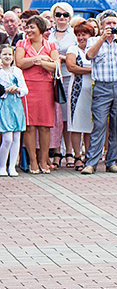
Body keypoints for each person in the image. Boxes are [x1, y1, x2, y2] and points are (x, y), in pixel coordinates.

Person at [82, 10, 117, 174]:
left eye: (114, 23)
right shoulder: (93, 40)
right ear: (102, 26)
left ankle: (111, 161)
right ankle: (91, 163)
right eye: (108, 24)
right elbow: (89, 55)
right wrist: (103, 38)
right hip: (101, 87)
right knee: (99, 125)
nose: (112, 26)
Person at [15, 15, 59, 174]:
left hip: (45, 87)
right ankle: (32, 160)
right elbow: (19, 63)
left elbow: (55, 66)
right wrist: (38, 58)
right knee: (30, 125)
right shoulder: (21, 44)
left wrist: (42, 62)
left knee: (45, 125)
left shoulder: (51, 45)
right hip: (27, 87)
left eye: (32, 27)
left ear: (40, 29)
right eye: (27, 27)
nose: (28, 30)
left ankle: (43, 160)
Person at [49, 2, 77, 168]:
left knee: (67, 117)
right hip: (52, 78)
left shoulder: (73, 35)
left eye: (65, 15)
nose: (61, 18)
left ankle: (69, 151)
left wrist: (62, 58)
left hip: (68, 76)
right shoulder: (48, 35)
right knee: (56, 117)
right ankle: (56, 150)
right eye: (58, 14)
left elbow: (77, 55)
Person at [65, 20, 95, 171]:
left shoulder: (95, 48)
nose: (81, 37)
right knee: (76, 124)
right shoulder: (73, 48)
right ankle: (77, 156)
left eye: (84, 34)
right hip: (77, 89)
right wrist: (90, 71)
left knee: (90, 125)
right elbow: (71, 66)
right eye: (78, 35)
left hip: (94, 90)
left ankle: (88, 156)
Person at [0, 44, 27, 176]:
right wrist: (6, 91)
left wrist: (18, 90)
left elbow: (25, 89)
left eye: (10, 54)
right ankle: (2, 166)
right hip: (4, 105)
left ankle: (12, 166)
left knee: (17, 137)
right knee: (7, 138)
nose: (7, 57)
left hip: (16, 105)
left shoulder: (17, 71)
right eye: (4, 54)